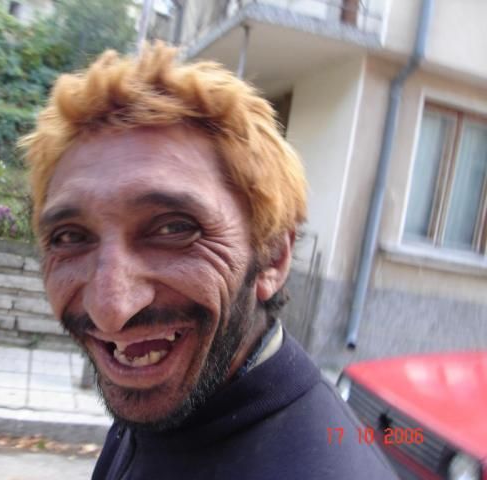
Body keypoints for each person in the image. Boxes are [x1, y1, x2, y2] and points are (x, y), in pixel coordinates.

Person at [20, 44, 397, 480]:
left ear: (273, 257)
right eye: (70, 237)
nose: (110, 309)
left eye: (175, 228)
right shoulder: (177, 400)